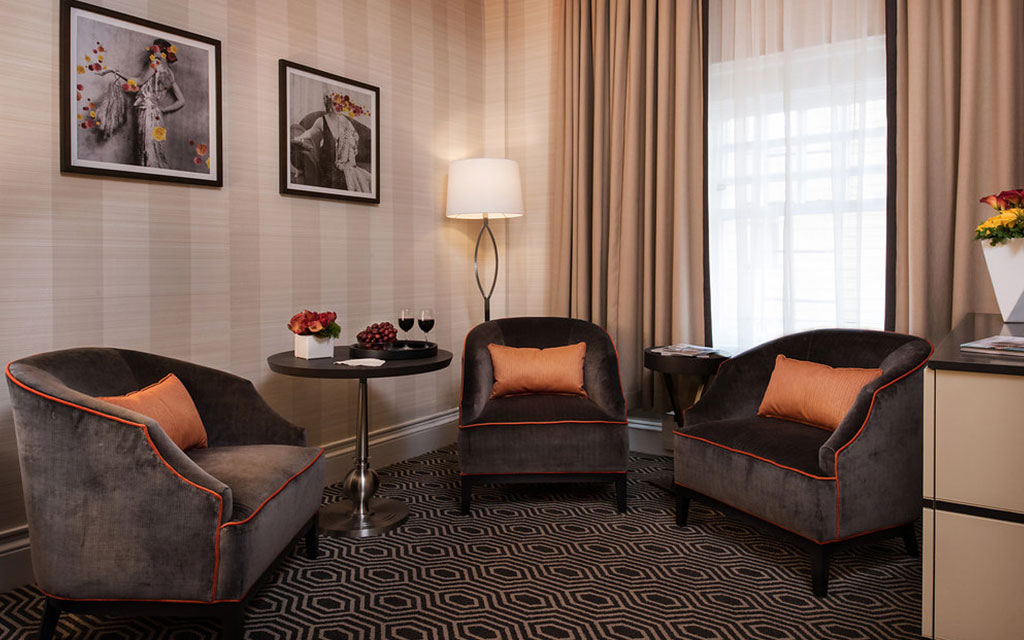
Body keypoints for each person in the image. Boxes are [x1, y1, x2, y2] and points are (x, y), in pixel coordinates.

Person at [94, 38, 185, 168]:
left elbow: (139, 81)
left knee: (146, 145)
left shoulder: (156, 64)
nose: (152, 53)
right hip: (156, 112)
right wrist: (163, 110)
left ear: (163, 52)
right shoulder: (170, 74)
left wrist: (113, 71)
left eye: (155, 50)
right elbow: (181, 101)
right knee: (154, 146)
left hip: (147, 109)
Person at [291, 90, 372, 192]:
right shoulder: (321, 121)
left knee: (363, 179)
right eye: (335, 104)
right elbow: (311, 132)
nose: (338, 107)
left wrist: (348, 149)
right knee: (341, 181)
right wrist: (298, 138)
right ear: (329, 105)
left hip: (342, 162)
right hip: (327, 163)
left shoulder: (344, 121)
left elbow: (354, 136)